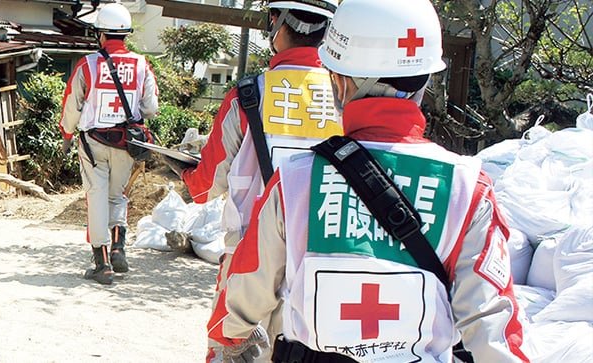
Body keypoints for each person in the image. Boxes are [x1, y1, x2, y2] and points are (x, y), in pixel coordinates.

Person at [206, 0, 530, 361]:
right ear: (424, 81)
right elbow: (492, 326)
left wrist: (229, 341)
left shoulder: (294, 181)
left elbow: (247, 288)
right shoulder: (468, 188)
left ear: (340, 82)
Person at [155, 0, 339, 359]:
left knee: (231, 349)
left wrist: (184, 171)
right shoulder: (345, 98)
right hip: (322, 262)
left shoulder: (248, 96)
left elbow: (207, 184)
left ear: (275, 21)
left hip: (248, 261)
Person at [59, 2, 159, 285]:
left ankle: (102, 264)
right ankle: (119, 247)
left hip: (94, 143)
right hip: (127, 143)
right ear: (126, 34)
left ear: (100, 34)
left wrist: (67, 136)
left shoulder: (88, 65)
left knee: (96, 197)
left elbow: (72, 106)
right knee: (117, 197)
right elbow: (151, 108)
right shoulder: (141, 65)